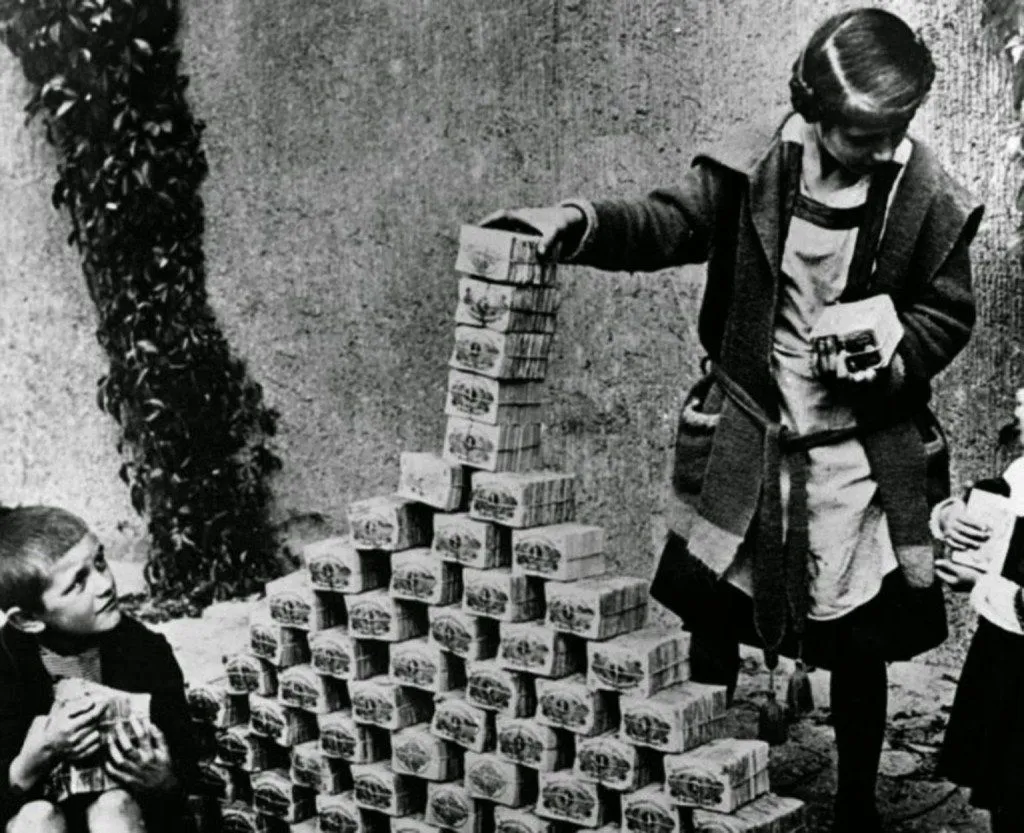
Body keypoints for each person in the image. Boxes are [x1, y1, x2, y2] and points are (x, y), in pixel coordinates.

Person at [484, 8, 983, 832]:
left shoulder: (922, 194)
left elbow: (947, 312)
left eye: (897, 131)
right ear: (814, 110)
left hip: (855, 455)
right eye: (863, 136)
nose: (883, 150)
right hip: (751, 435)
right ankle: (699, 778)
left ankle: (856, 801)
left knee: (858, 642)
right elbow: (667, 223)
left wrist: (893, 354)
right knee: (713, 611)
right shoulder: (753, 168)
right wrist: (577, 223)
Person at [0, 506, 197, 833]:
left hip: (124, 819)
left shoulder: (145, 651)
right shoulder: (6, 666)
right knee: (37, 818)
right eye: (78, 582)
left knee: (114, 808)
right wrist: (30, 763)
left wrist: (162, 780)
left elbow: (186, 769)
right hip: (39, 819)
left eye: (100, 562)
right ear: (28, 619)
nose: (104, 584)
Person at [935, 389, 1024, 833]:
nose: (1018, 399)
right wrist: (951, 515)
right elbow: (1000, 520)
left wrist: (981, 584)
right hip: (1005, 656)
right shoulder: (1020, 472)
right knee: (1004, 783)